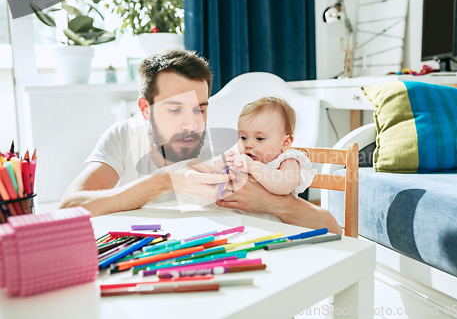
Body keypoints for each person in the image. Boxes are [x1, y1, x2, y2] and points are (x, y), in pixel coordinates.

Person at [59, 49, 342, 234]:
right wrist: (165, 181)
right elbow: (69, 209)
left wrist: (269, 203)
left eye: (200, 108)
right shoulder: (123, 136)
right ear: (146, 109)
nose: (192, 124)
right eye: (174, 109)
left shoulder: (232, 147)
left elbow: (331, 227)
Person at [212, 97, 316, 221]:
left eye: (260, 138)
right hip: (236, 221)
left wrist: (252, 167)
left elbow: (283, 185)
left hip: (273, 227)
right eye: (243, 137)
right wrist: (219, 167)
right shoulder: (239, 157)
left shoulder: (288, 160)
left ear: (285, 142)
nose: (248, 144)